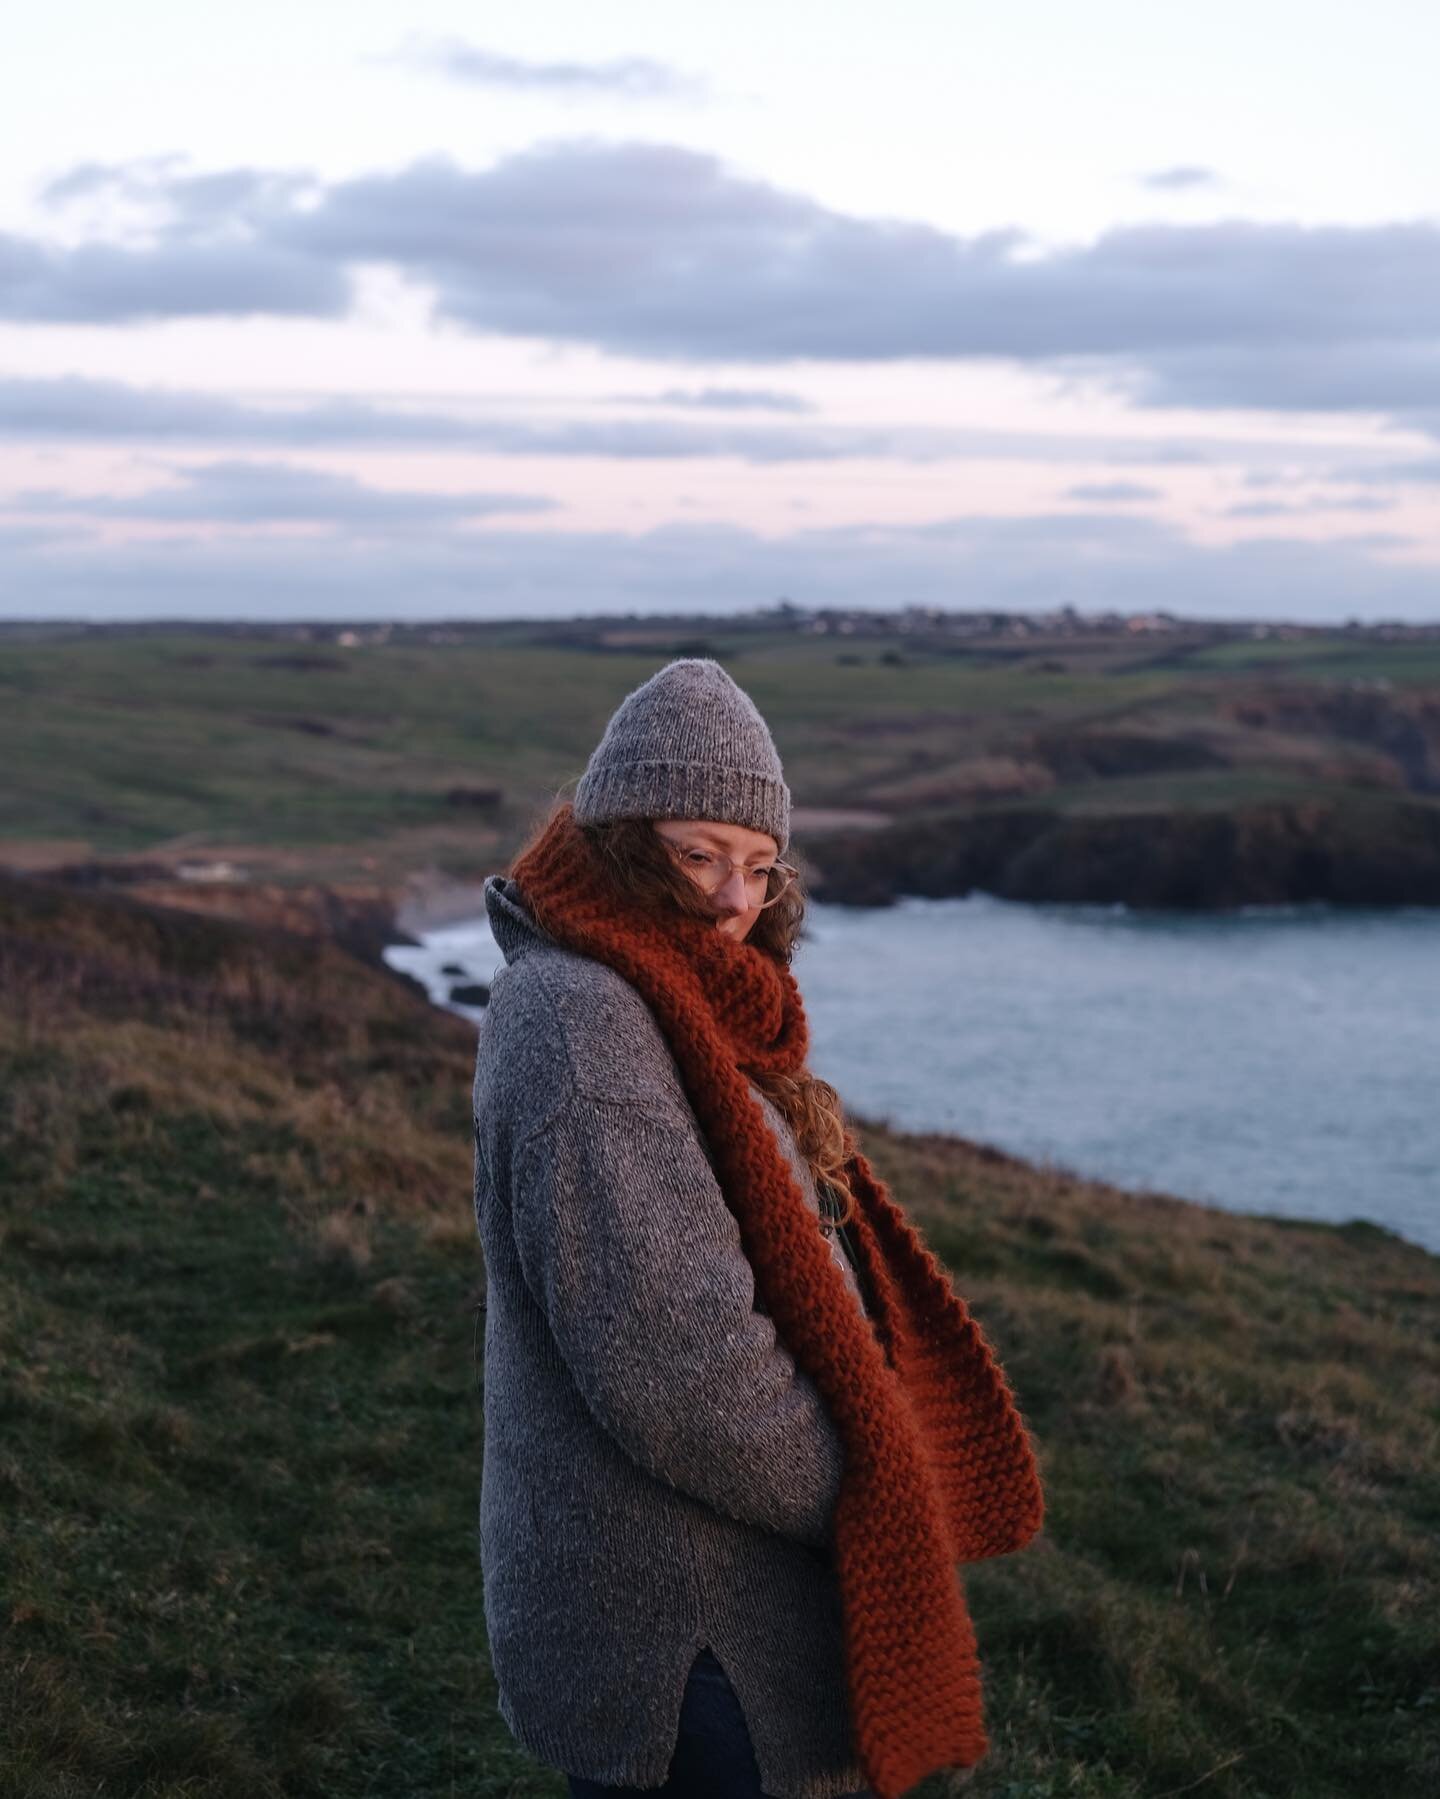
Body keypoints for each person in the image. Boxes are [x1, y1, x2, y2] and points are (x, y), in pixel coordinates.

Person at [471, 658, 1044, 1799]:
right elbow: (687, 1376)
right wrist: (882, 1495)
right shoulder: (589, 1029)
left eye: (759, 865)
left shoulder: (678, 994)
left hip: (721, 1608)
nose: (736, 899)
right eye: (698, 856)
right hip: (685, 1635)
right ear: (624, 844)